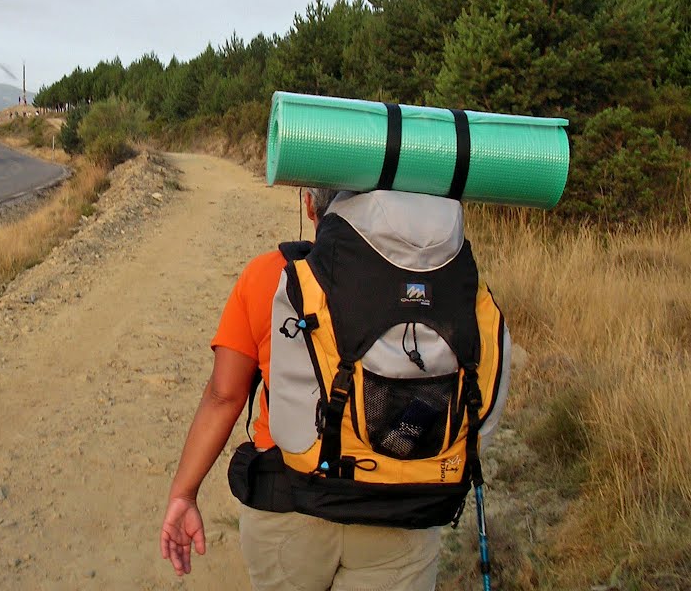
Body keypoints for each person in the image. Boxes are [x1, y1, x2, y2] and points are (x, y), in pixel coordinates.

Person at [160, 187, 511, 591]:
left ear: (310, 204)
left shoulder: (270, 274)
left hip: (289, 506)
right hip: (401, 509)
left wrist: (184, 494)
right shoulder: (446, 283)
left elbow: (225, 397)